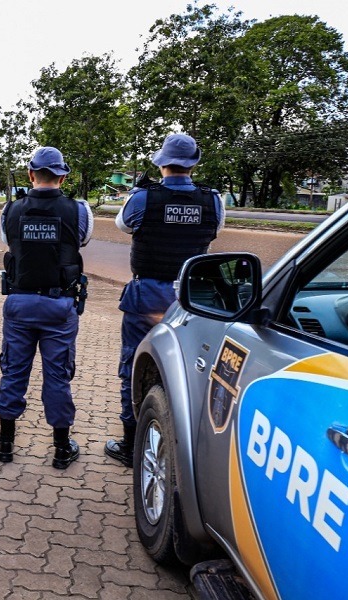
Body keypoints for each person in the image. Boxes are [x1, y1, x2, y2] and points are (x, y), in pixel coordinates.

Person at [105, 133, 224, 467]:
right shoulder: (213, 200)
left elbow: (123, 225)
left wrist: (137, 194)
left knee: (133, 363)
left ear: (161, 163)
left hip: (147, 297)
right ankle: (182, 444)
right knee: (189, 369)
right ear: (194, 164)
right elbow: (213, 231)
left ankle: (131, 444)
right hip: (192, 299)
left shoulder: (143, 198)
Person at [0, 147, 93, 469]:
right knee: (58, 377)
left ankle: (6, 443)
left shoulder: (10, 210)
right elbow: (81, 242)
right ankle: (62, 449)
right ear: (63, 176)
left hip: (20, 304)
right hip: (58, 305)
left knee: (13, 372)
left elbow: (11, 243)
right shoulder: (79, 211)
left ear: (31, 175)